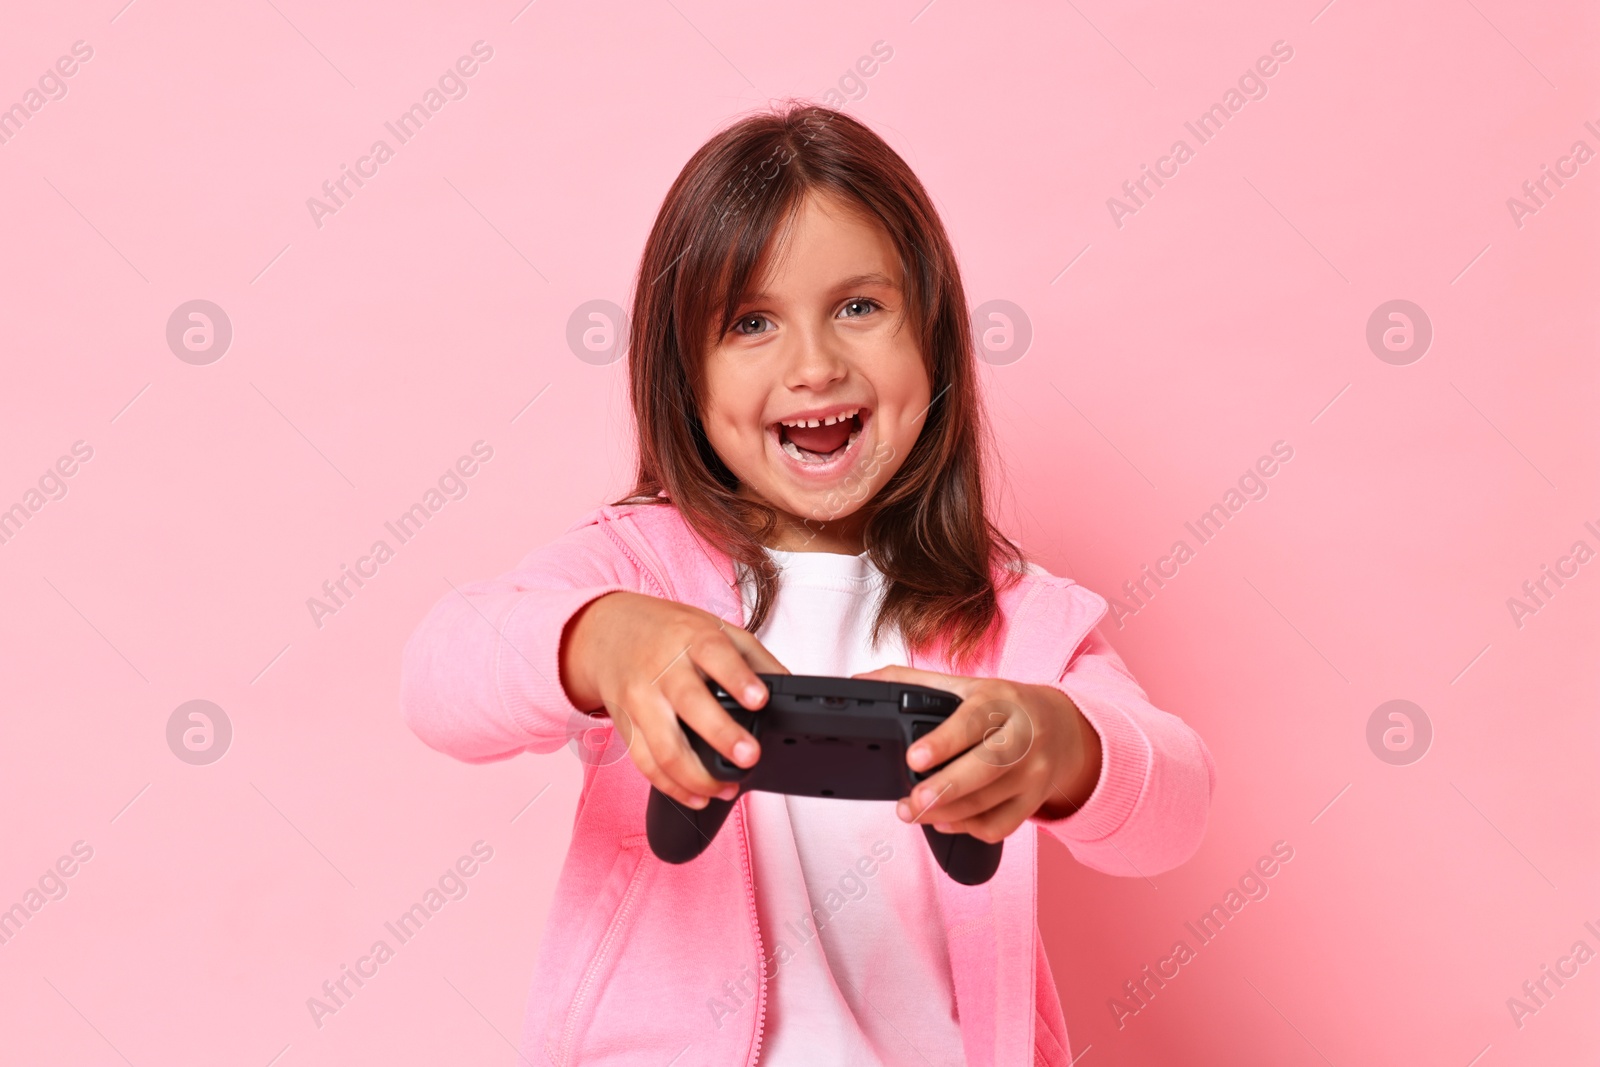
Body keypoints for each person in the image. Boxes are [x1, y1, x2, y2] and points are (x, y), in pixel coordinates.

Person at [399, 102, 1215, 1067]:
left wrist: (1058, 743)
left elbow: (1178, 807)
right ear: (685, 377)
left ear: (936, 339)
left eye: (860, 307)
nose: (816, 365)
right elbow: (440, 677)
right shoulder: (635, 570)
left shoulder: (1014, 615)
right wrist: (607, 643)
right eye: (751, 323)